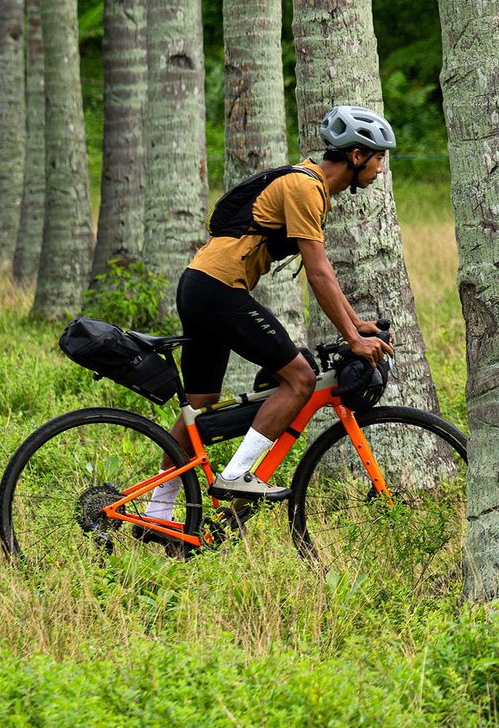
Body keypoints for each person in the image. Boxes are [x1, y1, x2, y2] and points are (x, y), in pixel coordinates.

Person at [143, 105, 397, 518]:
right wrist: (353, 338)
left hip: (199, 284)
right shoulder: (306, 189)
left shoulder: (306, 184)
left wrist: (356, 323)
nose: (381, 169)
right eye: (380, 158)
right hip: (219, 289)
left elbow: (323, 271)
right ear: (356, 155)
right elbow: (318, 272)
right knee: (299, 379)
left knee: (199, 407)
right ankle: (239, 474)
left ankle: (158, 515)